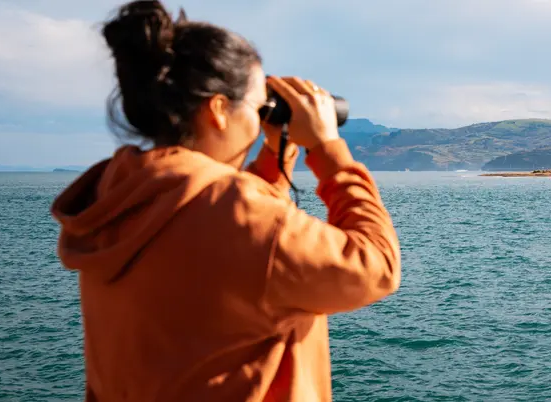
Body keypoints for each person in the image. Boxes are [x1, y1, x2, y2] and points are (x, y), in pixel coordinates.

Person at [49, 1, 401, 401]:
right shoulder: (234, 214)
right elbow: (376, 266)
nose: (260, 119)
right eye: (257, 106)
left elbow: (226, 235)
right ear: (218, 110)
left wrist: (275, 154)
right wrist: (328, 149)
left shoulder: (118, 195)